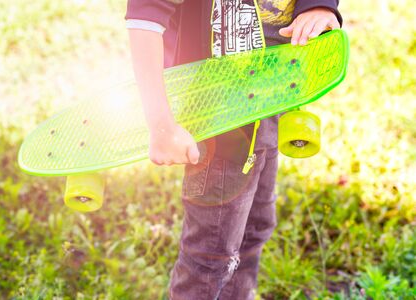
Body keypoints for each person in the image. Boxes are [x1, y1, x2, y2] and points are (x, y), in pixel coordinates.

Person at [126, 1, 342, 299]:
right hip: (220, 119)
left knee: (256, 226)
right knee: (211, 254)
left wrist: (318, 6)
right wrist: (161, 124)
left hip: (273, 98)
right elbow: (145, 14)